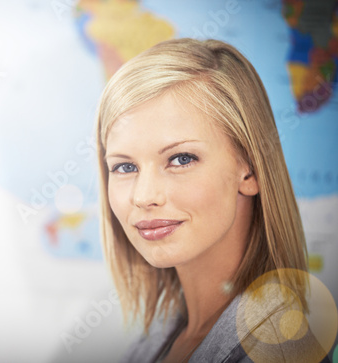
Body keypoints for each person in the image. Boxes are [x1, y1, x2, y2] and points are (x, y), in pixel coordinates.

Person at [95, 38, 334, 363]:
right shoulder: (162, 338)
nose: (144, 196)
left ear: (249, 170)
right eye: (125, 166)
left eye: (181, 159)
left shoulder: (283, 349)